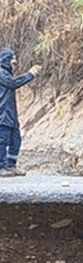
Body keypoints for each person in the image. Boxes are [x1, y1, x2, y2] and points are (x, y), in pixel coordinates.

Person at [0, 47, 41, 177]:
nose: (15, 61)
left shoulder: (6, 73)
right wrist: (30, 74)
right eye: (12, 58)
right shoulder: (1, 73)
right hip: (2, 114)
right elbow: (13, 83)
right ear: (6, 58)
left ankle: (10, 165)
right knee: (3, 141)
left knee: (16, 140)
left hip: (10, 113)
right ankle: (2, 167)